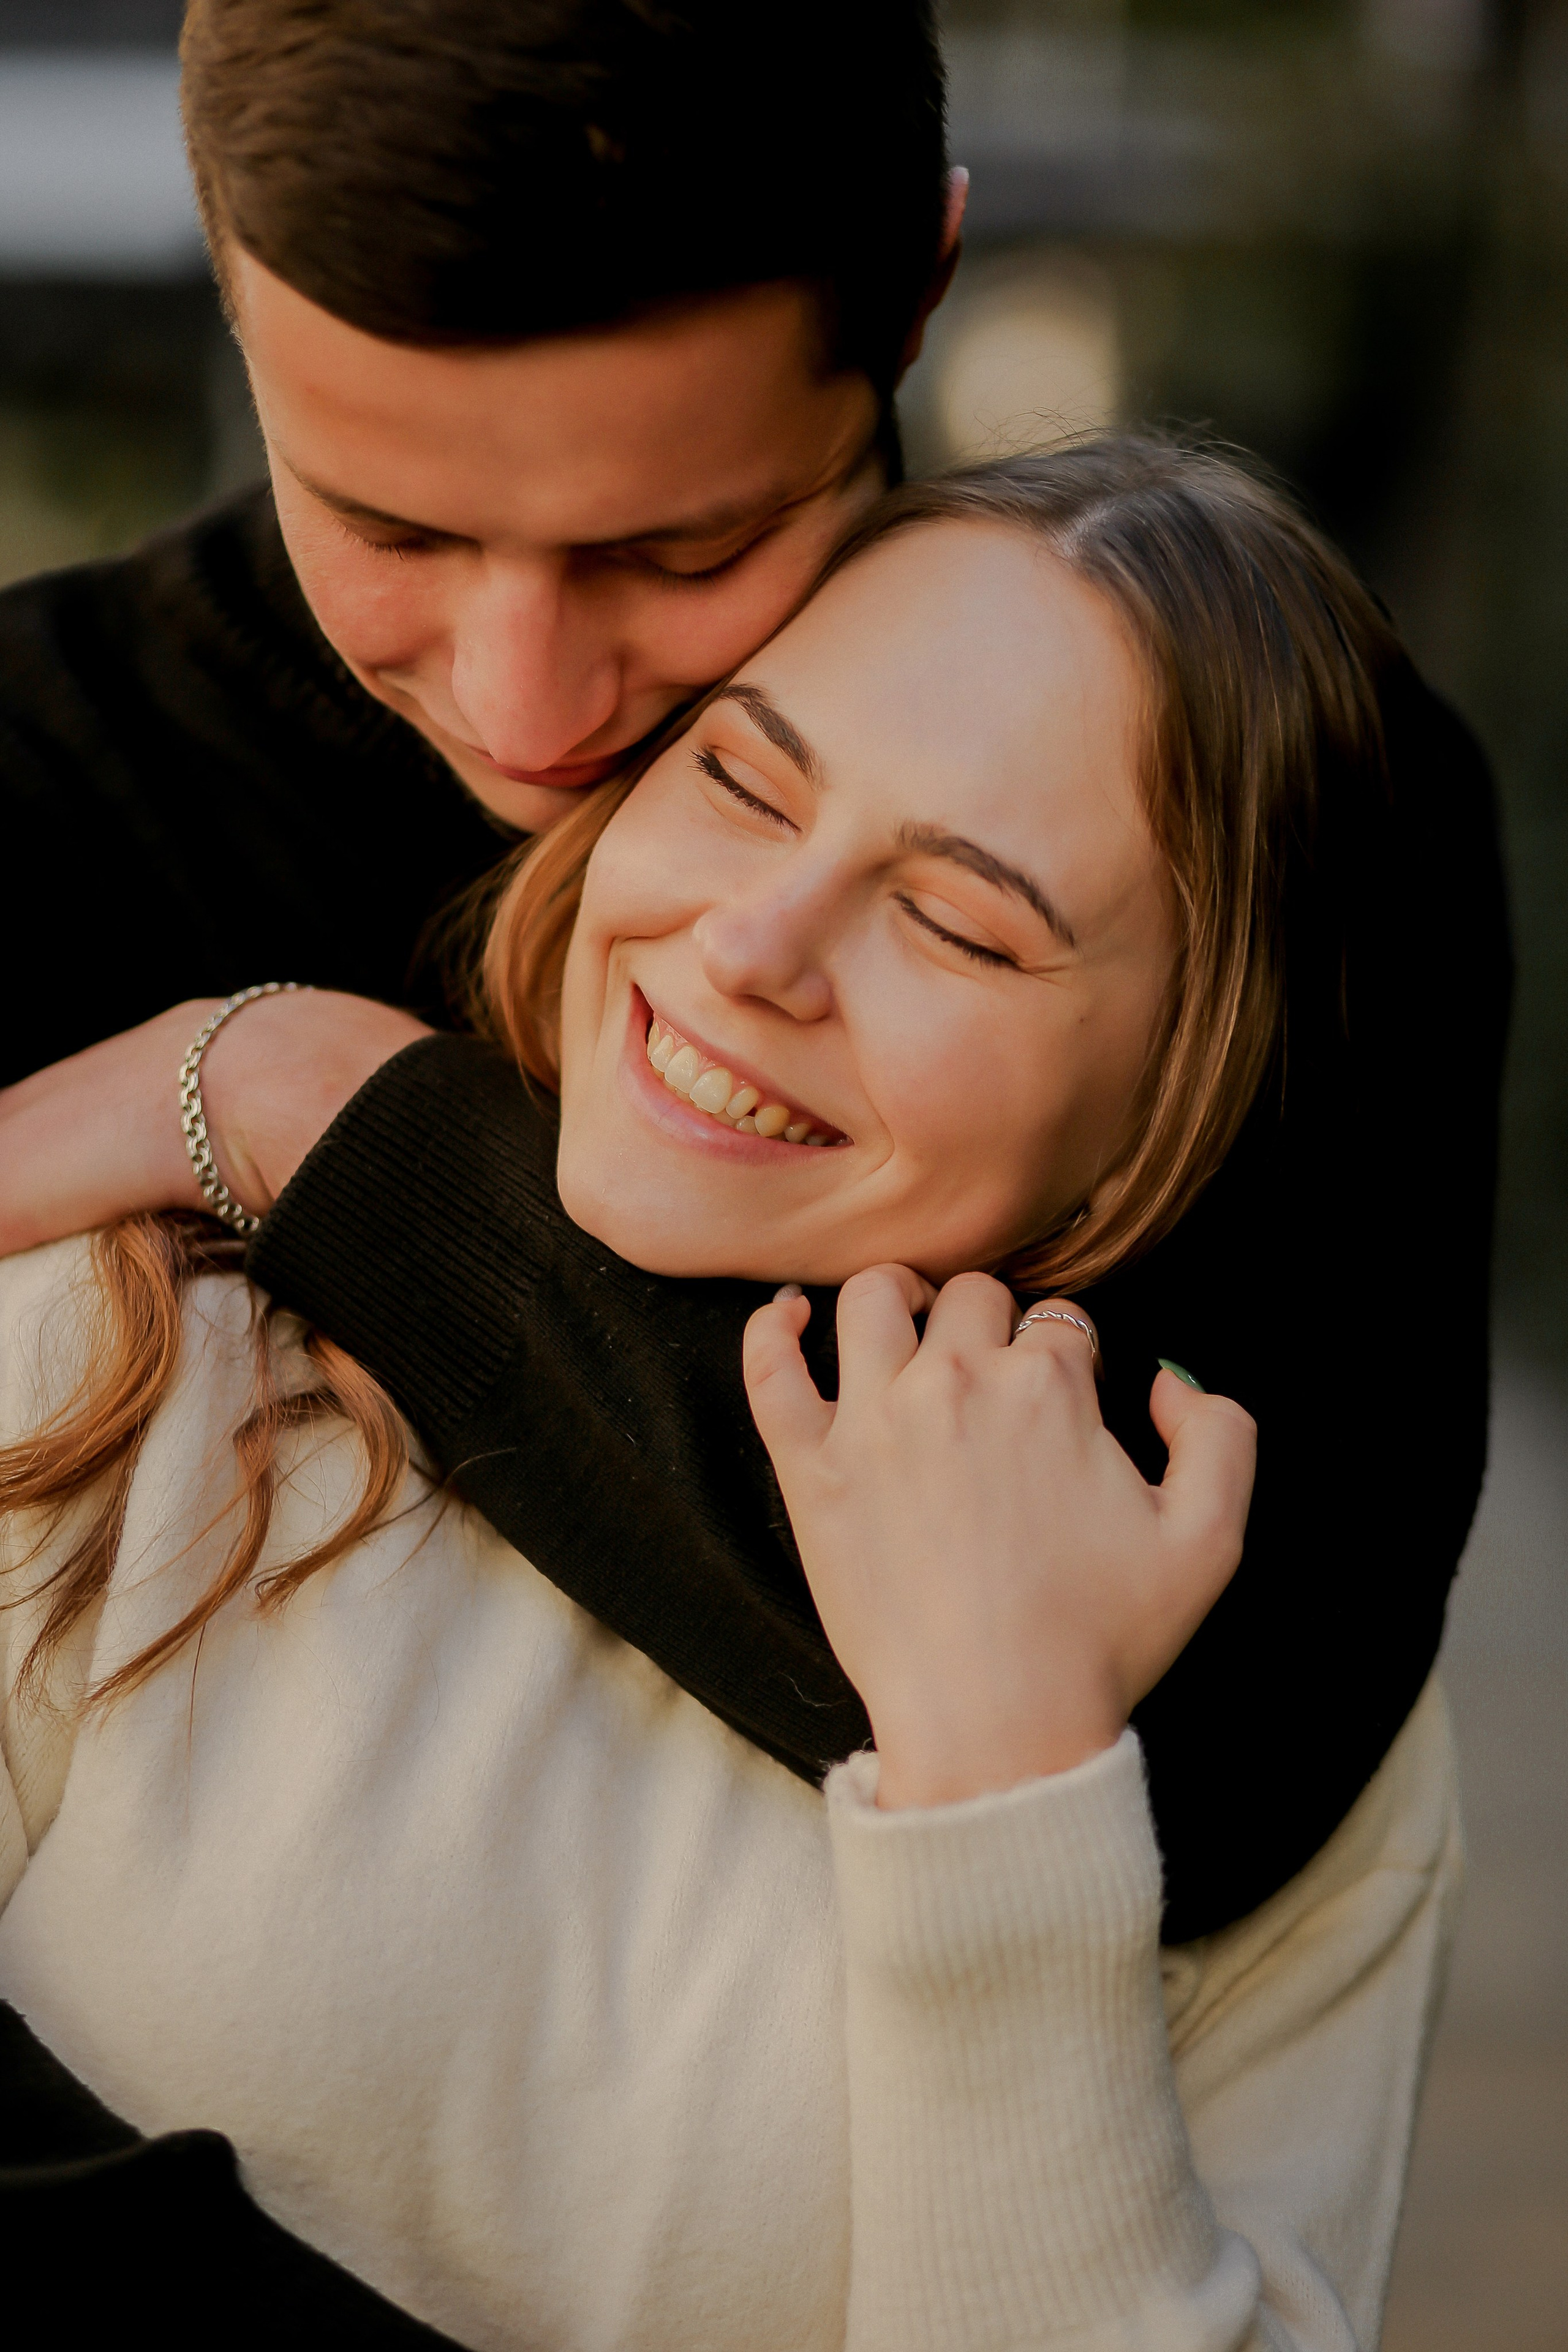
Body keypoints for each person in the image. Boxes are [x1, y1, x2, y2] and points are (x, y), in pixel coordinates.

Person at [1, 443, 1464, 2352]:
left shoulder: (1283, 1709)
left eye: (958, 923)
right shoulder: (124, 1348)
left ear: (1155, 1127)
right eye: (742, 781)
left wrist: (1010, 1785)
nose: (756, 946)